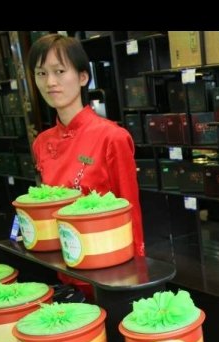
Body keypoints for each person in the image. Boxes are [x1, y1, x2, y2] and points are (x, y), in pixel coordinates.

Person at [27, 34, 145, 257]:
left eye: (59, 71)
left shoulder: (112, 137)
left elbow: (131, 212)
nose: (50, 82)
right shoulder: (42, 142)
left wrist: (136, 269)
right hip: (58, 261)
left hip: (105, 263)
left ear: (83, 77)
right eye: (41, 73)